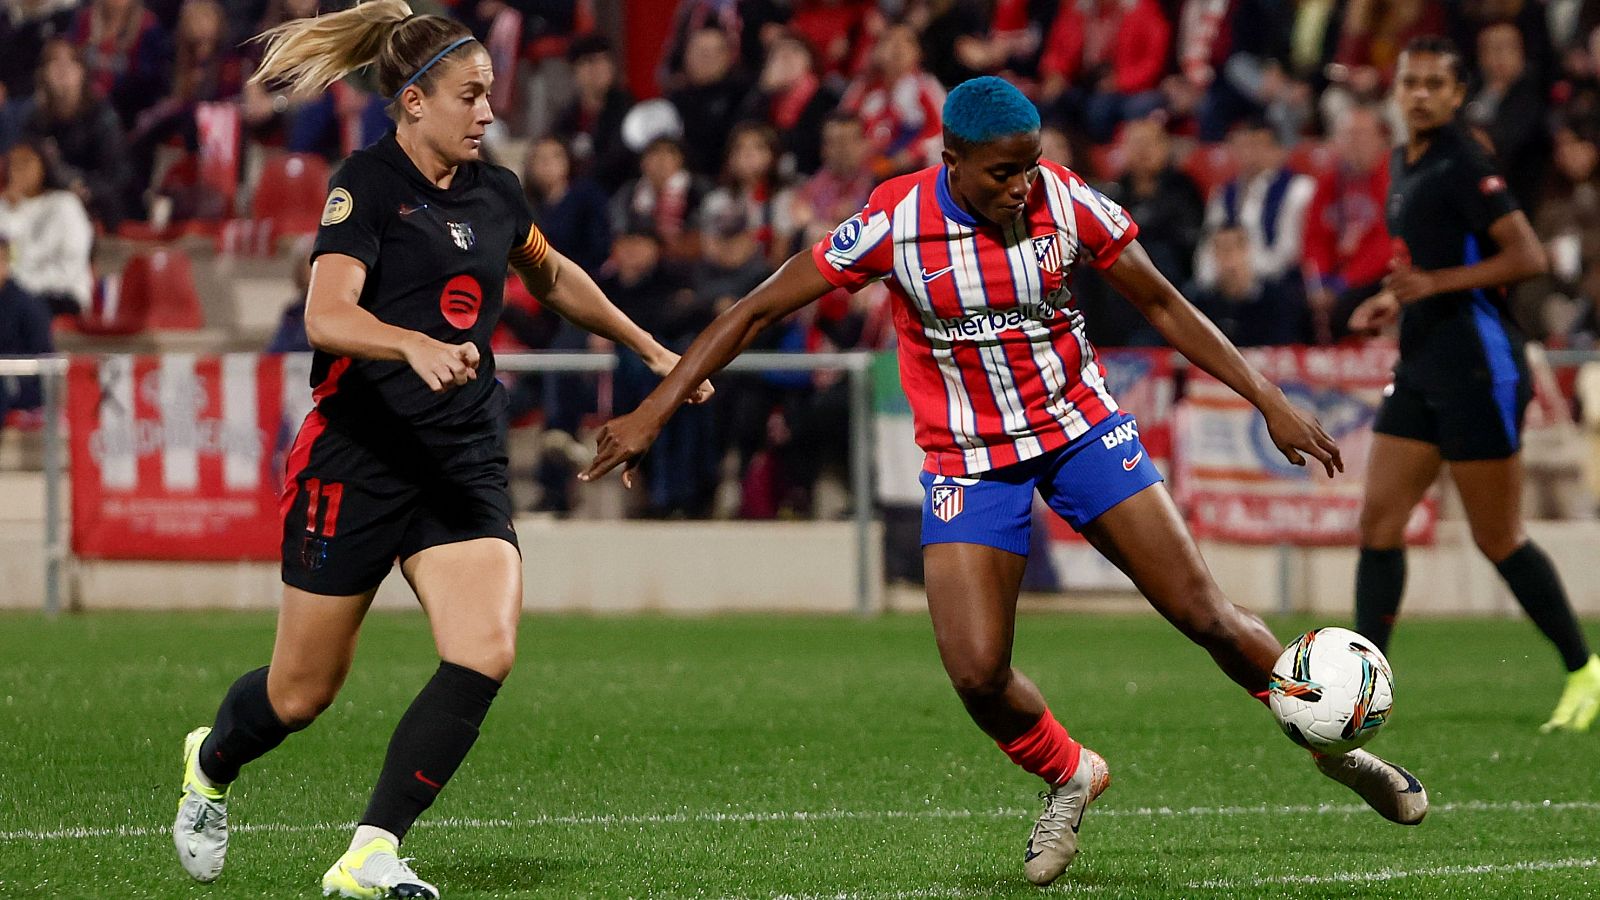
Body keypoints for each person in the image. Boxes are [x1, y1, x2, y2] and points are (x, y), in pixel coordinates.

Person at [581, 75, 1429, 888]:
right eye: (1002, 172)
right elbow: (758, 307)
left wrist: (1267, 397)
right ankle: (1069, 774)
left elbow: (1165, 303)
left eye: (1030, 165)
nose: (1022, 185)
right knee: (977, 672)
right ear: (951, 160)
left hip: (1080, 429)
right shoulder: (894, 220)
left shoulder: (1065, 200)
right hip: (967, 456)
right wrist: (655, 411)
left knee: (1203, 612)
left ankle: (1334, 745)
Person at [170, 4, 711, 898]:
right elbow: (326, 314)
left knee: (486, 647)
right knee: (300, 694)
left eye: (491, 95)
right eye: (471, 96)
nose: (489, 114)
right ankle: (211, 762)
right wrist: (408, 343)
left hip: (459, 458)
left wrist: (654, 350)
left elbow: (553, 274)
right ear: (413, 101)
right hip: (358, 457)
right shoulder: (367, 185)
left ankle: (371, 850)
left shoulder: (496, 193)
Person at [1348, 36, 1600, 734]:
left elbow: (1529, 255)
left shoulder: (1466, 161)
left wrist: (1434, 284)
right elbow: (1427, 259)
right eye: (1411, 82)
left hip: (1482, 367)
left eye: (1435, 83)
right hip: (1422, 359)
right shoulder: (1405, 160)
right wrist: (1395, 298)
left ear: (1457, 96)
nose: (1420, 94)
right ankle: (1365, 689)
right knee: (1379, 524)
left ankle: (1585, 667)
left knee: (1499, 537)